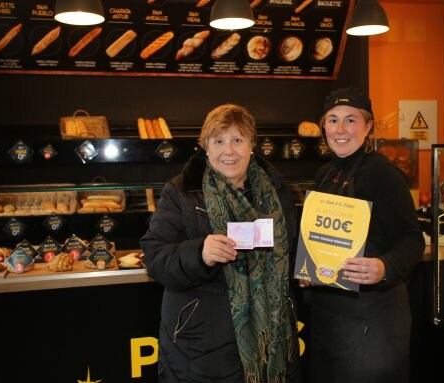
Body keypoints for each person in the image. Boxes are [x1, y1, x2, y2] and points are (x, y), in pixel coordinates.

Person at [140, 103, 301, 383]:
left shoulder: (276, 192)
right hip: (201, 345)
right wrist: (199, 253)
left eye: (238, 140)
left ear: (252, 145)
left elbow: (294, 250)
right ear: (205, 146)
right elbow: (155, 257)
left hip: (272, 338)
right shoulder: (180, 192)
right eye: (219, 141)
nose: (229, 151)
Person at [300, 88, 425, 383]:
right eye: (332, 120)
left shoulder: (384, 174)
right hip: (329, 318)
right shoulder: (324, 175)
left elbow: (411, 239)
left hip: (372, 319)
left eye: (350, 120)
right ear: (324, 127)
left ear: (368, 126)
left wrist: (384, 267)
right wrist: (308, 268)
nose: (340, 130)